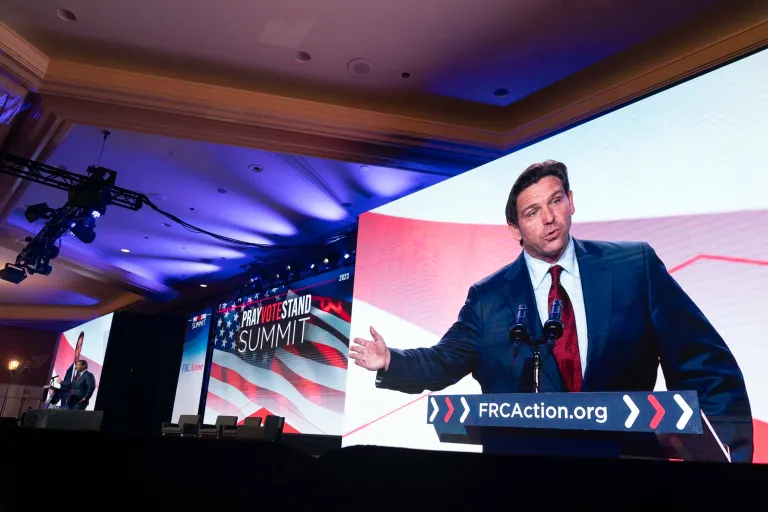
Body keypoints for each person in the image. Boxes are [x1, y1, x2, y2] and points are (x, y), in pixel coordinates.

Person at [351, 160, 753, 462]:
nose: (549, 218)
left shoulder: (635, 267)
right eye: (532, 212)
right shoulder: (489, 297)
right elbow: (444, 361)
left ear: (571, 202)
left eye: (556, 201)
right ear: (515, 229)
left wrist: (725, 459)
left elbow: (704, 361)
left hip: (627, 474)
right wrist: (390, 361)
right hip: (525, 479)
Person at [54, 331, 85, 409]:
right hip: (65, 400)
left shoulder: (82, 371)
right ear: (75, 349)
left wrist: (61, 382)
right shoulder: (69, 369)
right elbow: (65, 386)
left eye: (81, 347)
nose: (79, 351)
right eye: (77, 347)